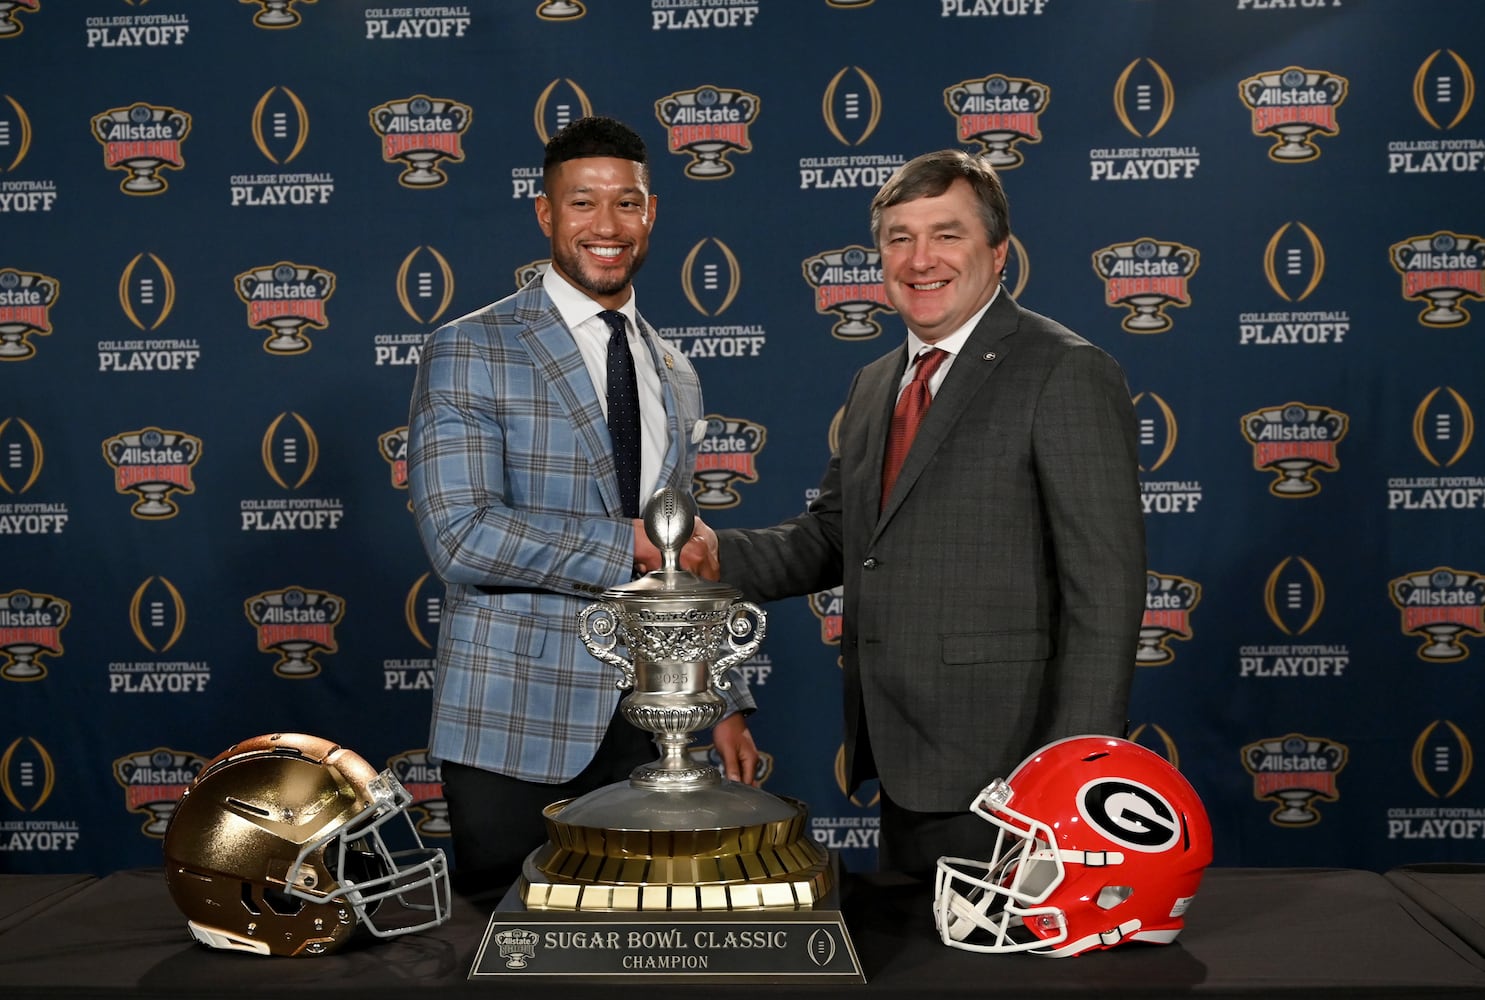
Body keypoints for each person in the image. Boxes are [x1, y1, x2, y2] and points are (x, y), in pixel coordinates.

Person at [697, 149, 1145, 878]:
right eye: (898, 238)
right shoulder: (878, 382)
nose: (919, 258)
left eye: (946, 234)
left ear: (997, 253)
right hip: (904, 755)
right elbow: (838, 538)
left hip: (1014, 772)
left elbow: (1106, 592)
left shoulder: (1063, 370)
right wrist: (712, 556)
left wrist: (1069, 776)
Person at [407, 116, 759, 896]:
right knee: (517, 955)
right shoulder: (472, 346)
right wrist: (626, 545)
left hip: (651, 724)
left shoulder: (674, 368)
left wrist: (722, 703)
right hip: (515, 727)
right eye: (582, 204)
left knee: (640, 953)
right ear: (545, 215)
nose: (607, 226)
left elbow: (679, 562)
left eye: (626, 203)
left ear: (651, 212)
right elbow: (461, 536)